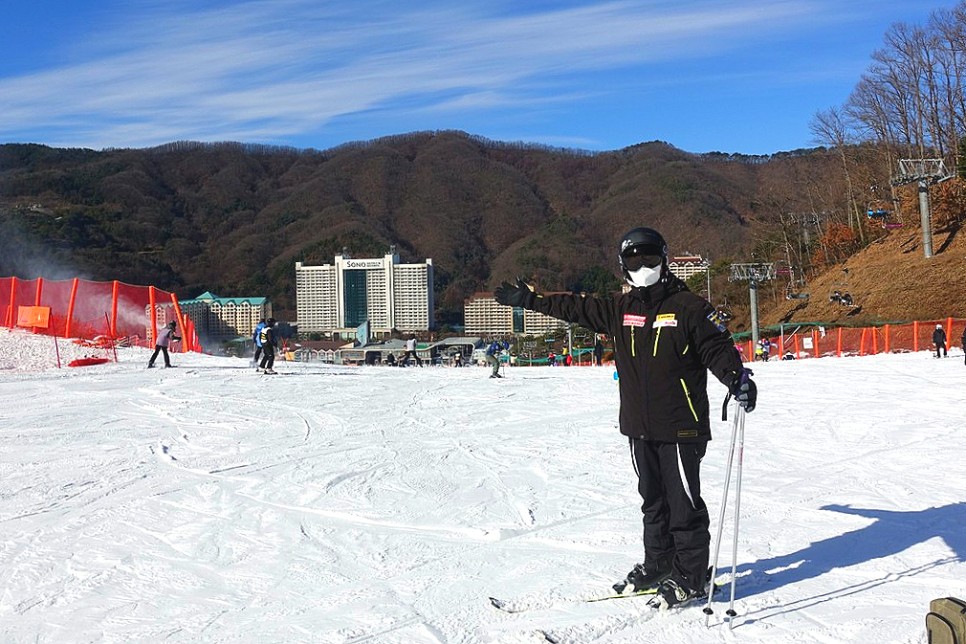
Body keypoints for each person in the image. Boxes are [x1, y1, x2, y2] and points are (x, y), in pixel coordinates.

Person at [495, 226, 757, 609]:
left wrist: (738, 379)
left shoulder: (689, 307)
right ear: (623, 266)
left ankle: (692, 575)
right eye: (635, 260)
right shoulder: (621, 309)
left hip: (680, 424)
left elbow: (717, 348)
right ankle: (660, 562)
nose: (644, 266)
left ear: (664, 258)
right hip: (639, 424)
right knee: (652, 500)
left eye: (650, 257)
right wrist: (531, 300)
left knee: (683, 504)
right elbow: (575, 307)